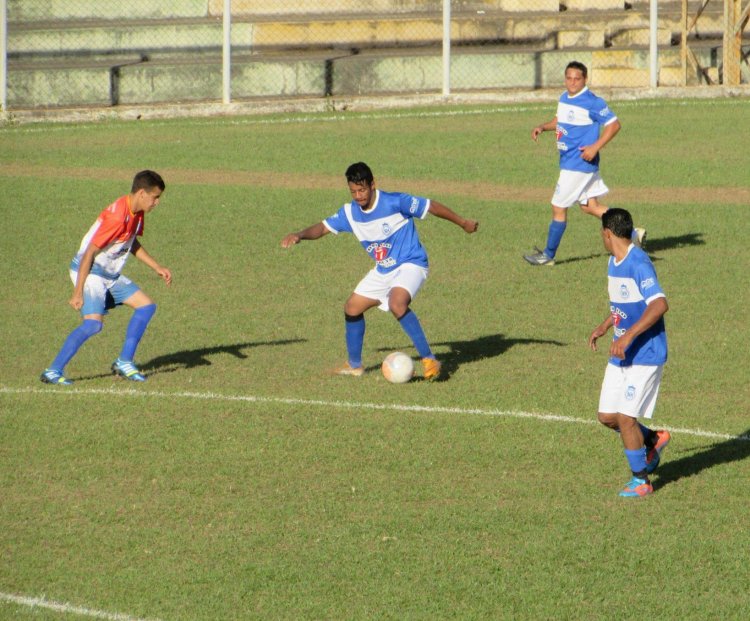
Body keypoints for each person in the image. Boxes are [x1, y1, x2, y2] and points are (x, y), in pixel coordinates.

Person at [281, 161, 478, 380]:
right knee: (352, 308)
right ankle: (354, 365)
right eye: (353, 191)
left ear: (373, 184)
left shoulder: (395, 202)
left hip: (411, 263)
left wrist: (463, 222)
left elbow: (431, 206)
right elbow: (322, 228)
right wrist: (299, 234)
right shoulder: (349, 213)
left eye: (362, 189)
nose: (358, 196)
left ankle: (429, 360)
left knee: (397, 303)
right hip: (383, 270)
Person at [40, 170, 172, 385]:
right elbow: (89, 253)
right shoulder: (118, 217)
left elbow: (131, 243)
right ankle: (53, 371)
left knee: (147, 306)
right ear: (141, 193)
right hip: (90, 272)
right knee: (93, 325)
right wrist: (77, 292)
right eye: (155, 197)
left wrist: (156, 266)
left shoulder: (137, 213)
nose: (157, 202)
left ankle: (124, 361)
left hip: (109, 274)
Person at [523, 60, 645, 266]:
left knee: (558, 207)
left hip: (577, 164)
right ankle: (633, 233)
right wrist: (543, 127)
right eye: (568, 78)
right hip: (571, 162)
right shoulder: (564, 97)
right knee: (590, 206)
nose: (572, 82)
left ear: (585, 79)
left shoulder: (592, 102)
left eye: (577, 79)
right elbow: (559, 120)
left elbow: (614, 125)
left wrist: (595, 147)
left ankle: (548, 255)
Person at [588, 208, 670, 498]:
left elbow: (658, 304)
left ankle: (641, 481)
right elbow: (625, 303)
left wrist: (629, 336)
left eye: (601, 234)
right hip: (622, 353)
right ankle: (653, 439)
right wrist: (604, 325)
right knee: (607, 416)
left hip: (645, 353)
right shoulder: (614, 261)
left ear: (607, 234)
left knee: (625, 418)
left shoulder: (638, 263)